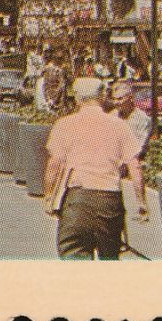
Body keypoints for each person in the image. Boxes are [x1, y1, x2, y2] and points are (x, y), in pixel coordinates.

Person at [43, 77, 147, 260]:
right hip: (109, 200)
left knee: (74, 255)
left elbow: (55, 163)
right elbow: (135, 165)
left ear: (77, 98)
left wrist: (49, 196)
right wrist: (141, 202)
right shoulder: (119, 125)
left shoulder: (65, 124)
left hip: (78, 199)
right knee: (109, 258)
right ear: (103, 97)